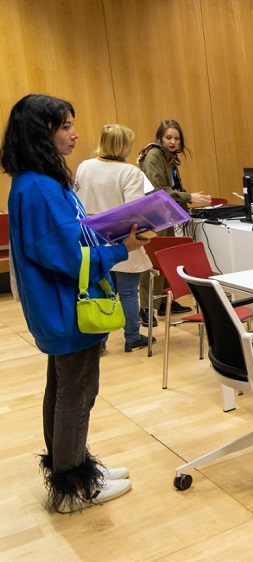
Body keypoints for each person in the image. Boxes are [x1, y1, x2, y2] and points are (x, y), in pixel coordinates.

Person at [1, 94, 148, 513]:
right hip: (67, 307)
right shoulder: (40, 187)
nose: (75, 133)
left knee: (64, 388)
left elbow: (71, 238)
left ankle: (74, 466)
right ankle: (70, 487)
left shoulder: (34, 181)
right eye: (65, 126)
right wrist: (123, 248)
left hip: (55, 306)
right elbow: (69, 256)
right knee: (77, 393)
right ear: (42, 133)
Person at [76, 124, 156, 352]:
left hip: (93, 240)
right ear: (124, 145)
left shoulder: (85, 167)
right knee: (129, 292)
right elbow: (134, 211)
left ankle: (99, 341)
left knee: (100, 290)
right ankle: (132, 338)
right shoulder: (130, 172)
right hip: (123, 240)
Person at [137, 120, 210, 320]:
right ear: (160, 137)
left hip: (165, 212)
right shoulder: (153, 154)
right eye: (168, 137)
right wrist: (188, 197)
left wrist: (191, 199)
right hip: (153, 213)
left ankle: (162, 303)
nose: (173, 142)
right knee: (152, 261)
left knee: (165, 257)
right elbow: (159, 189)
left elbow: (174, 185)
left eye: (176, 138)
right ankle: (145, 307)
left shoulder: (168, 156)